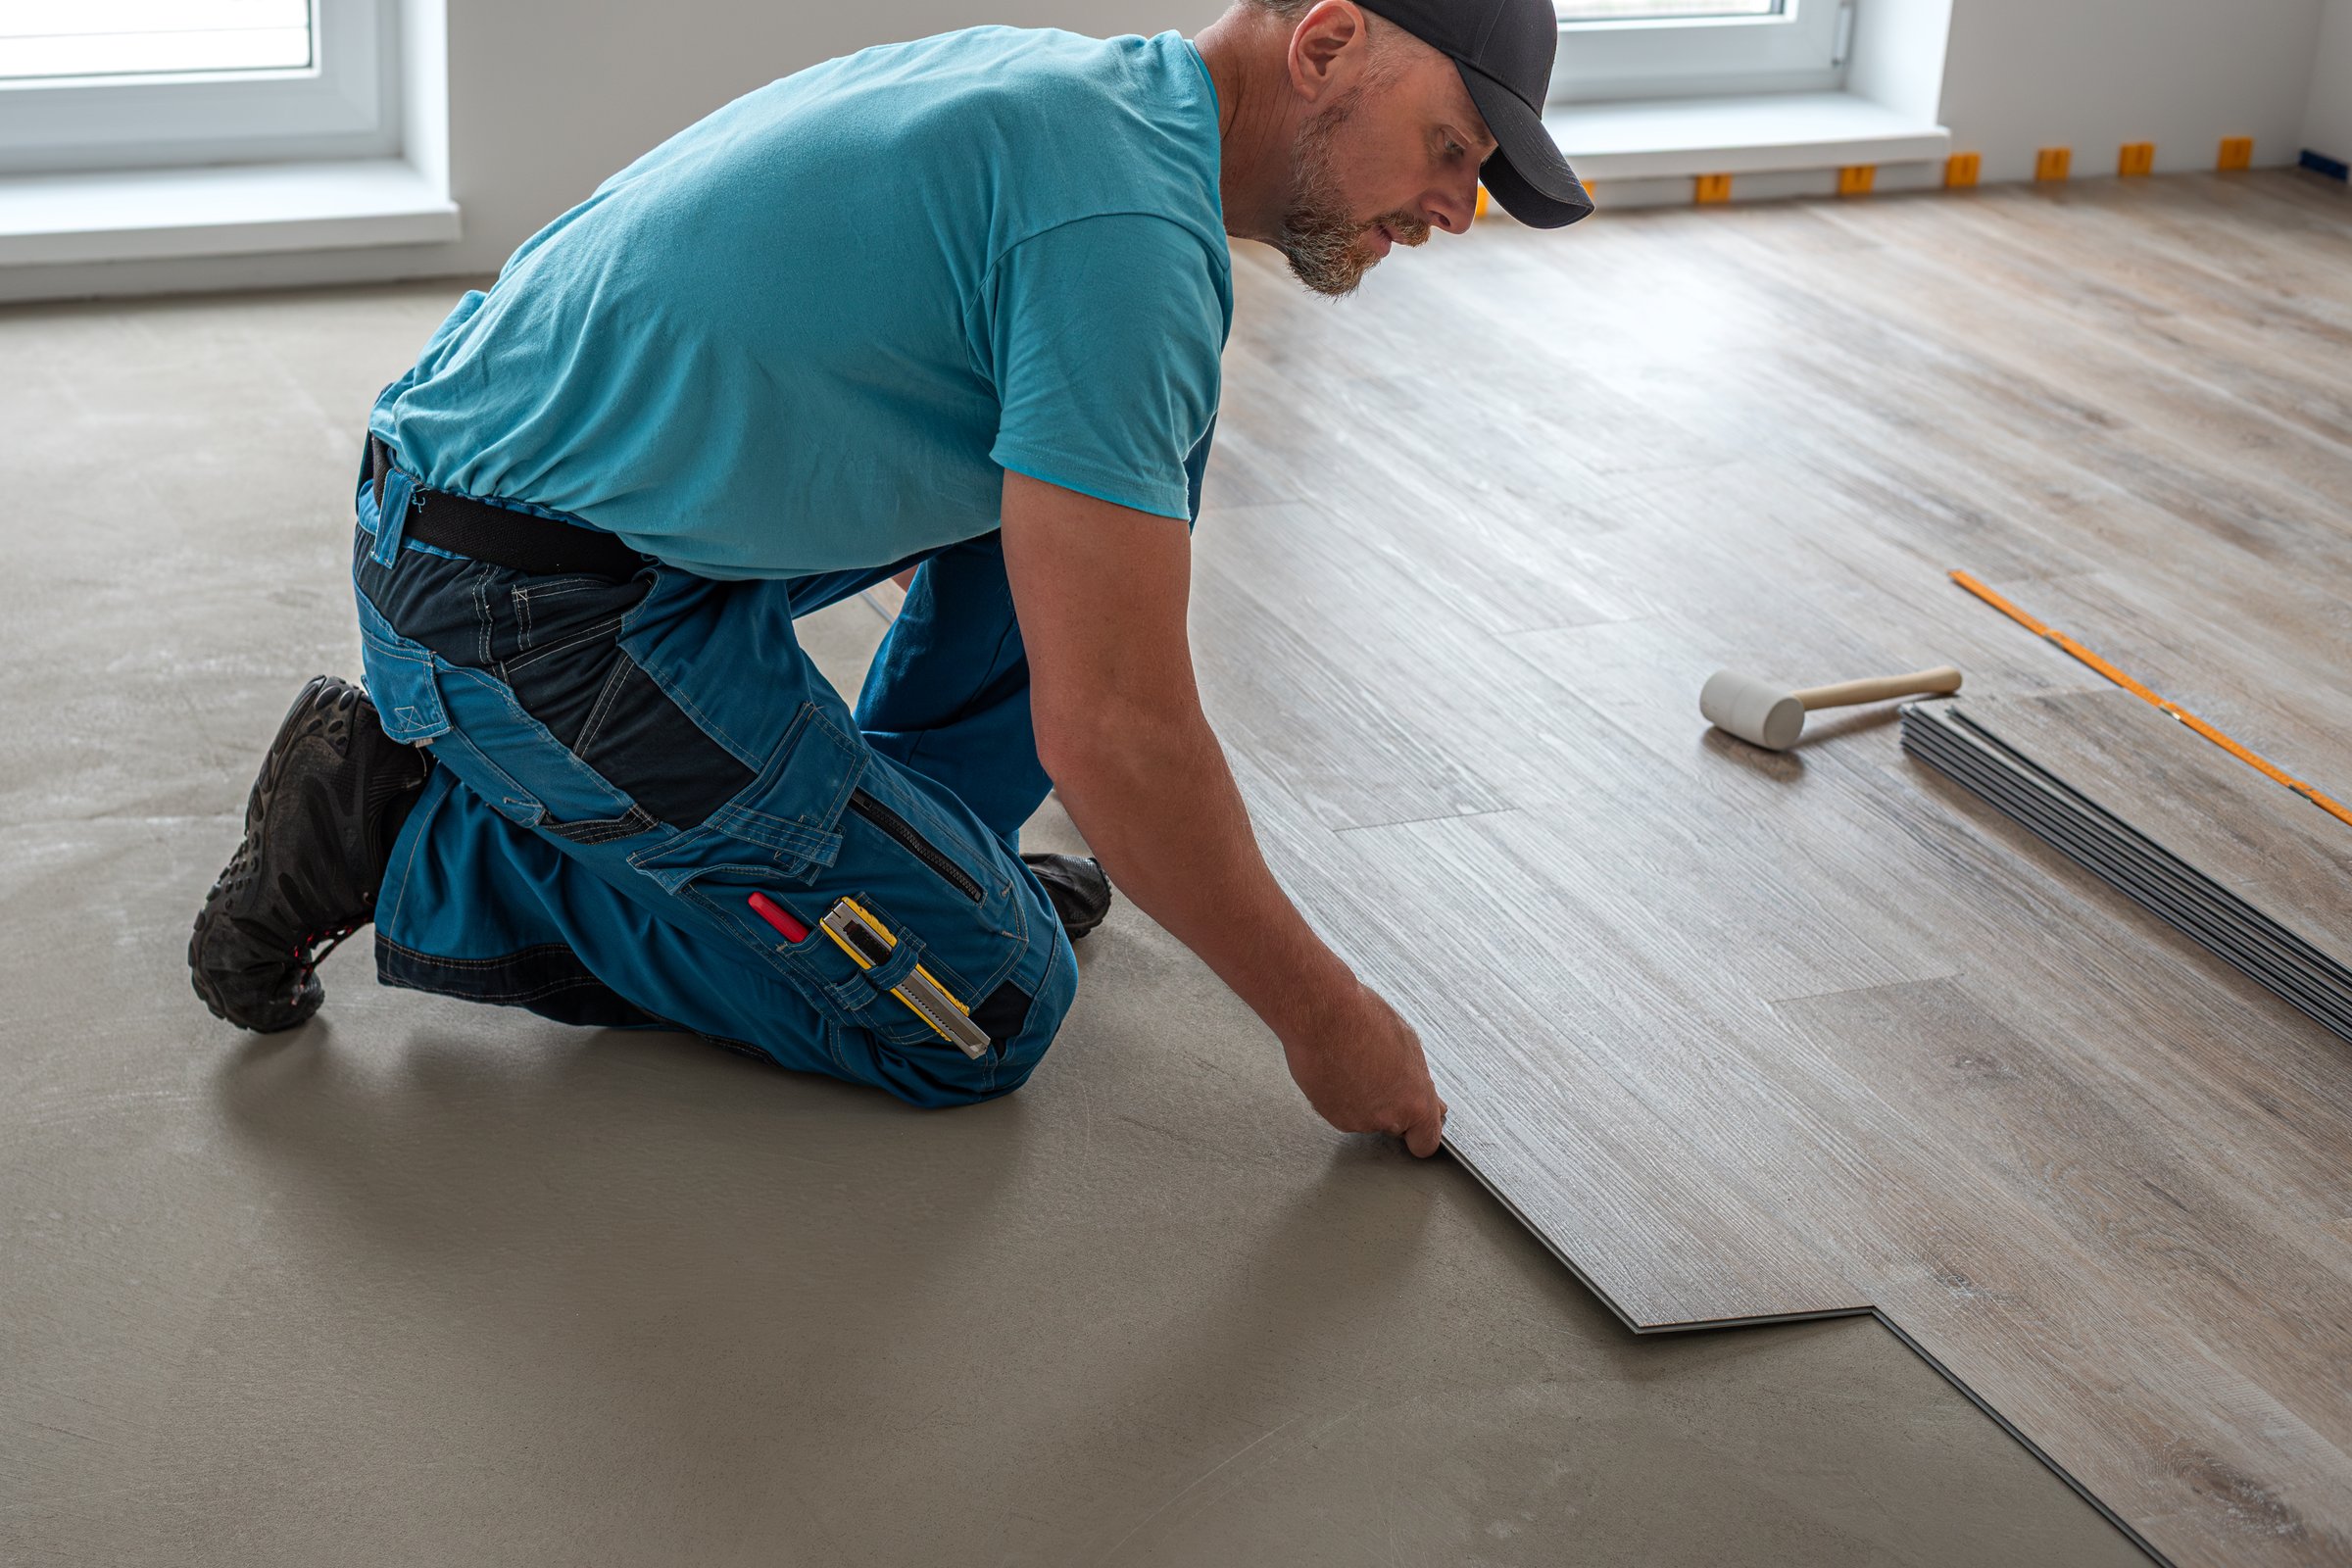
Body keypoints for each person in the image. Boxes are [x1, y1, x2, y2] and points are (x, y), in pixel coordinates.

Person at [188, 0, 1590, 1156]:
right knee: (983, 1005)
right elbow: (1120, 737)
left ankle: (906, 851)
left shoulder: (1094, 100)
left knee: (1123, 458)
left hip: (559, 504)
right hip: (511, 602)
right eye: (1451, 148)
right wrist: (1324, 1018)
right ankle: (412, 833)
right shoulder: (1122, 246)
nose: (1458, 208)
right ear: (1329, 44)